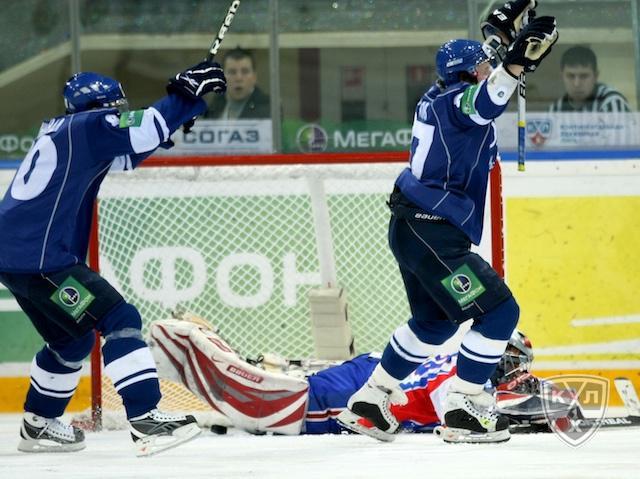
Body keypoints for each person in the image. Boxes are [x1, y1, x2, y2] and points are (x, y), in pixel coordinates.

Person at [333, 1, 558, 444]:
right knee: (499, 312)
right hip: (432, 229)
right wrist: (514, 61)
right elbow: (489, 95)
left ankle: (371, 400)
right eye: (483, 66)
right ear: (468, 73)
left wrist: (502, 41)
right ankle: (464, 407)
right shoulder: (460, 103)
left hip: (413, 228)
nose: (487, 69)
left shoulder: (441, 97)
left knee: (434, 324)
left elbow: (485, 80)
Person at [0, 61, 227, 455]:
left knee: (72, 341)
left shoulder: (66, 131)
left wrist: (183, 110)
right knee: (119, 319)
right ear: (100, 108)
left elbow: (133, 147)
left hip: (16, 255)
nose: (118, 116)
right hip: (41, 258)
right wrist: (185, 90)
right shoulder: (89, 128)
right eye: (114, 110)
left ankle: (39, 425)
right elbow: (145, 125)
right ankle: (146, 418)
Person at [148, 314, 577, 437]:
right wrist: (528, 408)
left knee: (296, 389)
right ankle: (199, 348)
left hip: (375, 369)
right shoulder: (470, 383)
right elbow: (457, 415)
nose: (516, 372)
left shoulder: (457, 356)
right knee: (276, 408)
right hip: (364, 395)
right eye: (515, 362)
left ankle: (214, 352)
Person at [549, 45, 631, 113]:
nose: (576, 84)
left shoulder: (612, 102)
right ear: (562, 76)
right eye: (571, 76)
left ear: (596, 76)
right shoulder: (556, 109)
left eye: (584, 76)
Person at [204, 47, 271, 119]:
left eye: (245, 72)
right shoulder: (213, 107)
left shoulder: (269, 108)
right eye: (232, 72)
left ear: (254, 77)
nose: (238, 78)